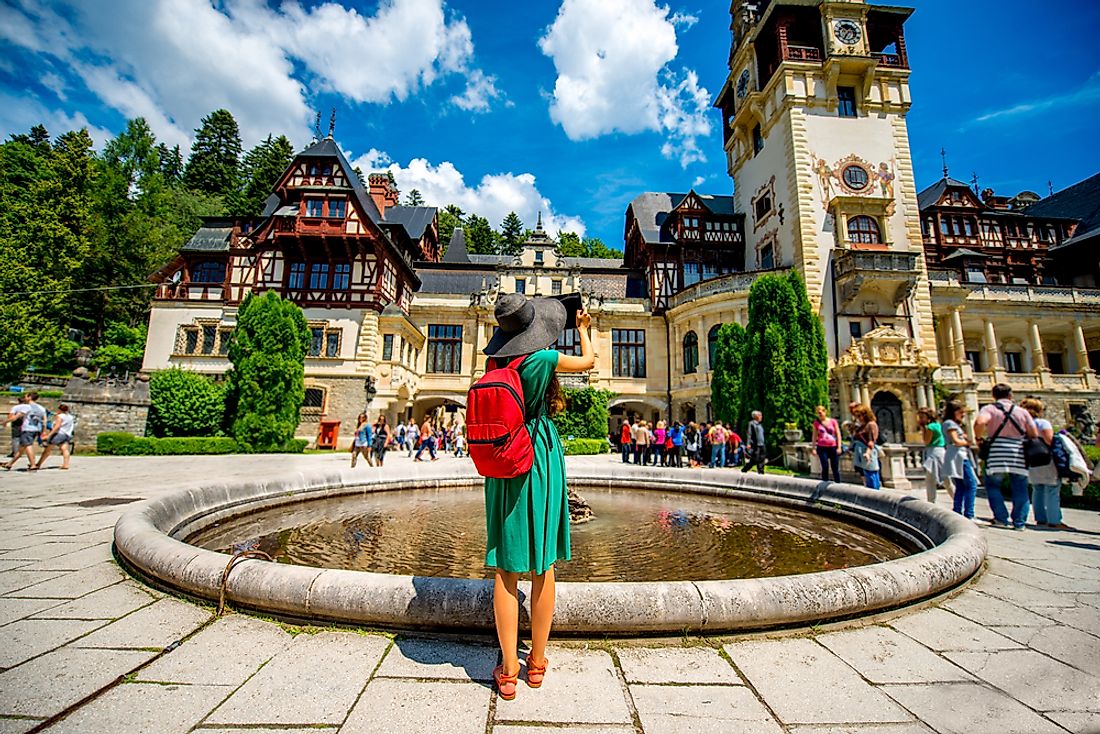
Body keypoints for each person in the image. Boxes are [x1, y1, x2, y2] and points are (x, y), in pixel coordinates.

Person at [480, 292, 595, 701]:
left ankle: (508, 670)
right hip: (539, 454)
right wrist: (583, 331)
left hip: (502, 457)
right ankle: (537, 664)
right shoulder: (543, 361)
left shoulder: (495, 364)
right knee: (542, 564)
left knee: (506, 568)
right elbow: (588, 363)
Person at [974, 383, 1037, 529]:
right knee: (1020, 488)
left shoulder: (989, 409)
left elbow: (979, 422)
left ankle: (1001, 518)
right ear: (1010, 395)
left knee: (993, 485)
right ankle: (1019, 522)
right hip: (1018, 453)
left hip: (997, 453)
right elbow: (1033, 433)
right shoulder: (1021, 411)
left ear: (993, 396)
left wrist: (979, 438)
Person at [1020, 398, 1070, 530]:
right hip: (1046, 459)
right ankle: (1054, 520)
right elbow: (1049, 441)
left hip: (1031, 460)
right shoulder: (1042, 423)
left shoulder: (1022, 424)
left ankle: (1040, 518)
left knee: (1037, 489)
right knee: (1052, 489)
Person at [942, 400, 978, 519]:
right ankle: (969, 514)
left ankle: (958, 511)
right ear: (954, 412)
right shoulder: (950, 424)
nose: (963, 414)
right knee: (971, 484)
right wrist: (968, 442)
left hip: (958, 456)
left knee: (961, 486)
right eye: (961, 412)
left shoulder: (953, 424)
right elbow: (956, 441)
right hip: (959, 456)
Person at [3, 391, 46, 471]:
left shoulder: (26, 407)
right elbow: (44, 421)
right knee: (21, 449)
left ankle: (33, 465)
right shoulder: (41, 408)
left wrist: (5, 422)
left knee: (28, 446)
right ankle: (10, 464)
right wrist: (43, 431)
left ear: (30, 397)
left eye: (26, 396)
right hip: (36, 429)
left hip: (27, 429)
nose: (25, 398)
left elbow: (16, 417)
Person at [917, 407, 948, 502]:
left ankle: (931, 501)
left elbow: (926, 441)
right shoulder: (938, 425)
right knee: (943, 479)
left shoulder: (930, 427)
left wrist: (923, 429)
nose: (920, 419)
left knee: (931, 480)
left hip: (934, 452)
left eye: (922, 417)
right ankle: (932, 501)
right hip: (940, 451)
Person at [36, 403, 74, 470]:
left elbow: (57, 426)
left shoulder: (60, 416)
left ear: (59, 409)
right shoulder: (70, 417)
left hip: (59, 434)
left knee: (48, 450)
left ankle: (38, 464)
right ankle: (66, 464)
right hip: (67, 434)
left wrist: (49, 435)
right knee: (64, 449)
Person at [851, 405, 881, 488]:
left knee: (871, 473)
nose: (859, 418)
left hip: (867, 451)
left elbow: (871, 441)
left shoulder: (871, 425)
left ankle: (875, 494)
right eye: (857, 416)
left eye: (860, 415)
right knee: (866, 473)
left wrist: (868, 453)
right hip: (860, 451)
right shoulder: (862, 426)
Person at [813, 405, 841, 482]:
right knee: (824, 466)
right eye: (818, 413)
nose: (820, 414)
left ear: (825, 412)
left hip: (833, 446)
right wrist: (813, 448)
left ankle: (838, 483)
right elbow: (814, 436)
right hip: (822, 446)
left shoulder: (833, 421)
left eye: (821, 412)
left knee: (835, 467)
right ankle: (825, 481)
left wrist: (839, 447)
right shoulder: (816, 423)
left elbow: (838, 434)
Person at [7, 394, 27, 459]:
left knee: (15, 438)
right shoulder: (28, 407)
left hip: (16, 423)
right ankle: (19, 452)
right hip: (26, 423)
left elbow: (10, 416)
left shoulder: (16, 407)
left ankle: (15, 452)